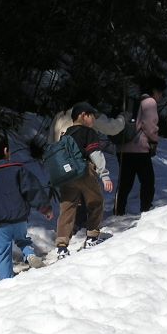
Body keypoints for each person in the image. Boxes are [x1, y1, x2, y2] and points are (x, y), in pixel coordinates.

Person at [0, 133, 53, 280]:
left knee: (3, 252)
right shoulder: (17, 169)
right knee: (22, 239)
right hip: (19, 218)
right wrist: (45, 207)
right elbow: (32, 189)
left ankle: (6, 280)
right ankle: (29, 254)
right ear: (6, 151)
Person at [54, 102, 114, 259]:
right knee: (95, 202)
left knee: (67, 209)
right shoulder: (88, 132)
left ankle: (61, 245)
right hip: (83, 171)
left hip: (66, 175)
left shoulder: (65, 134)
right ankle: (92, 236)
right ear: (83, 115)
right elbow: (95, 154)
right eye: (92, 115)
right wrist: (104, 175)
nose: (94, 119)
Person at [114, 75, 163, 215]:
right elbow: (150, 125)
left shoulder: (133, 101)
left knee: (125, 183)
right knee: (147, 181)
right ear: (155, 90)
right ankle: (146, 210)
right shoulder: (149, 102)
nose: (161, 96)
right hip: (139, 149)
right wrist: (153, 141)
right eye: (160, 92)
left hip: (122, 148)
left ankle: (118, 211)